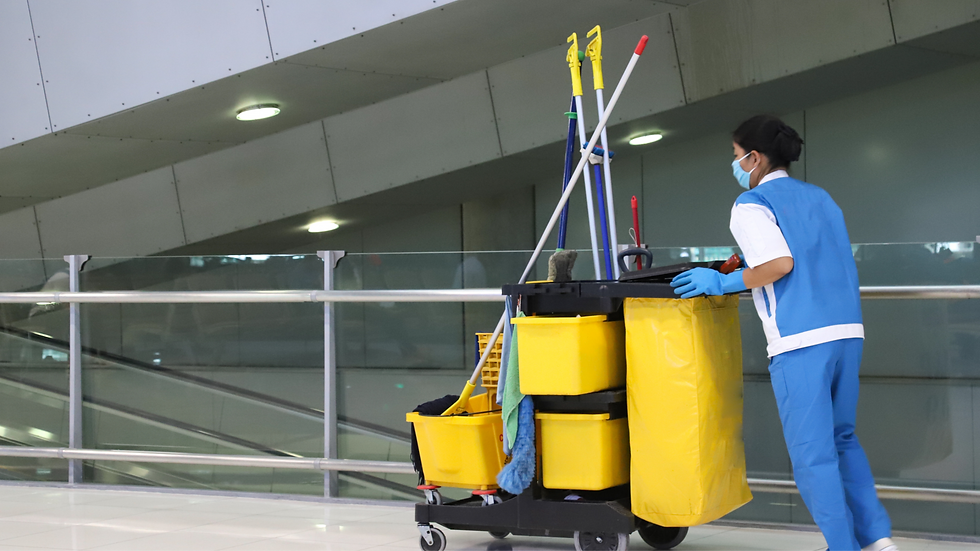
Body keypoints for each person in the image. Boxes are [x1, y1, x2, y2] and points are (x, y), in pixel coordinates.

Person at [669, 115, 895, 551]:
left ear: (754, 158)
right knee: (843, 440)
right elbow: (807, 252)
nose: (734, 166)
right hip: (847, 332)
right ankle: (876, 541)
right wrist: (744, 263)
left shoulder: (751, 205)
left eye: (736, 157)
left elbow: (780, 264)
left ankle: (842, 547)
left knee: (813, 455)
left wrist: (721, 282)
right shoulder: (820, 197)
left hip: (800, 339)